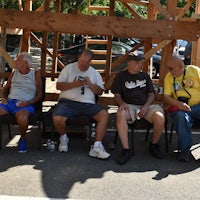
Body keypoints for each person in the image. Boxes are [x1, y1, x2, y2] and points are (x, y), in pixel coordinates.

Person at [53, 49, 110, 160]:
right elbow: (58, 86)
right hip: (68, 102)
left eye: (86, 62)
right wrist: (73, 84)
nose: (83, 64)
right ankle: (63, 138)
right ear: (78, 59)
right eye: (82, 61)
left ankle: (97, 146)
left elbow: (100, 92)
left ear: (90, 62)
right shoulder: (69, 68)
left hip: (87, 104)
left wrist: (90, 84)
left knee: (104, 115)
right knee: (57, 117)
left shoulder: (94, 73)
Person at [111, 54, 165, 165]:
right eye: (136, 62)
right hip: (129, 105)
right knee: (121, 114)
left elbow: (151, 95)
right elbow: (117, 96)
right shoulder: (120, 76)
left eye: (140, 62)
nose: (139, 64)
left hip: (146, 105)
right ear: (128, 63)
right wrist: (122, 103)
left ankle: (154, 145)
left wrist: (145, 107)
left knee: (159, 117)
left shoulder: (145, 76)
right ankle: (126, 150)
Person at [0, 52, 43, 153]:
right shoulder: (14, 73)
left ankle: (23, 139)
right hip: (10, 102)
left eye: (18, 60)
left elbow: (40, 94)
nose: (15, 61)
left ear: (26, 63)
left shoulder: (35, 74)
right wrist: (4, 98)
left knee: (23, 118)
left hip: (25, 103)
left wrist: (28, 103)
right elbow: (4, 89)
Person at [164, 55, 200, 162]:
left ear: (181, 66)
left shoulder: (194, 70)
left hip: (198, 107)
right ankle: (184, 151)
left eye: (171, 68)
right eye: (168, 68)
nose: (170, 71)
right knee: (180, 116)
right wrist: (178, 104)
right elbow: (166, 97)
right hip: (182, 109)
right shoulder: (169, 77)